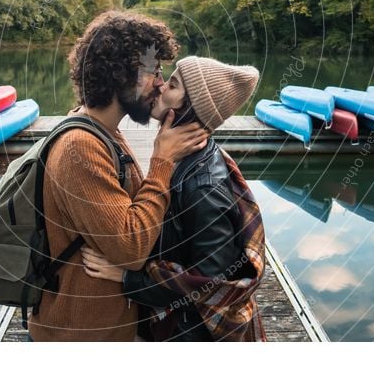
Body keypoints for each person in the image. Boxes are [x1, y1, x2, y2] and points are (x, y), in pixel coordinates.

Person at [28, 11, 209, 342]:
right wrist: (163, 160)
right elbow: (130, 248)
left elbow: (130, 218)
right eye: (153, 71)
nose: (159, 81)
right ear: (119, 73)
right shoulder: (79, 147)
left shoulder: (103, 131)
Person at [82, 56, 267, 341]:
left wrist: (126, 277)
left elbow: (208, 289)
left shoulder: (203, 188)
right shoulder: (181, 159)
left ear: (190, 106)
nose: (160, 86)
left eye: (174, 84)